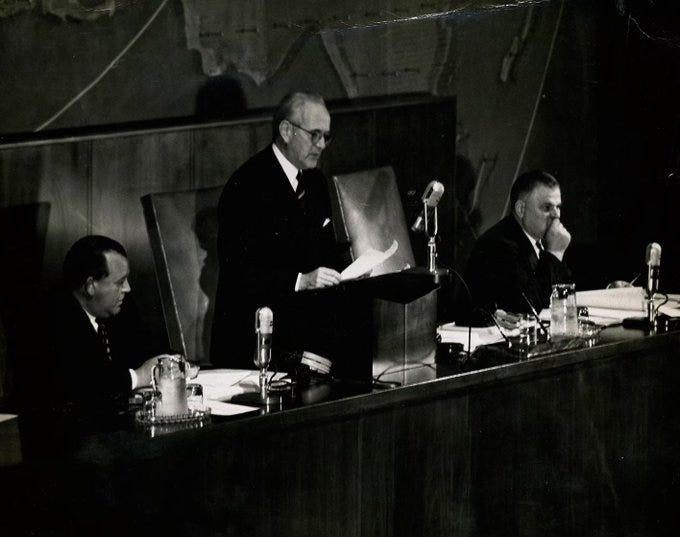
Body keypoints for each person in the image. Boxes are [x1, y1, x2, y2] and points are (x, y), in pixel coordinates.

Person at [211, 92, 344, 369]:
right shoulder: (246, 186)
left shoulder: (315, 181)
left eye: (326, 137)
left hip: (304, 328)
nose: (321, 145)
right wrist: (300, 280)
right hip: (254, 337)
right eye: (314, 134)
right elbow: (239, 272)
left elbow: (323, 250)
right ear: (286, 130)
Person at [16, 235, 168, 426]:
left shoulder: (120, 308)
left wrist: (170, 362)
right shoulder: (49, 321)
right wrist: (137, 377)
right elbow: (82, 387)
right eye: (120, 282)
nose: (127, 289)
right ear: (90, 286)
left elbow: (146, 349)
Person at [463, 170, 572, 324]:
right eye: (547, 207)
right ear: (521, 209)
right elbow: (526, 310)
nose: (557, 215)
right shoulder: (498, 245)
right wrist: (554, 254)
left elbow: (567, 297)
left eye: (558, 207)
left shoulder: (544, 240)